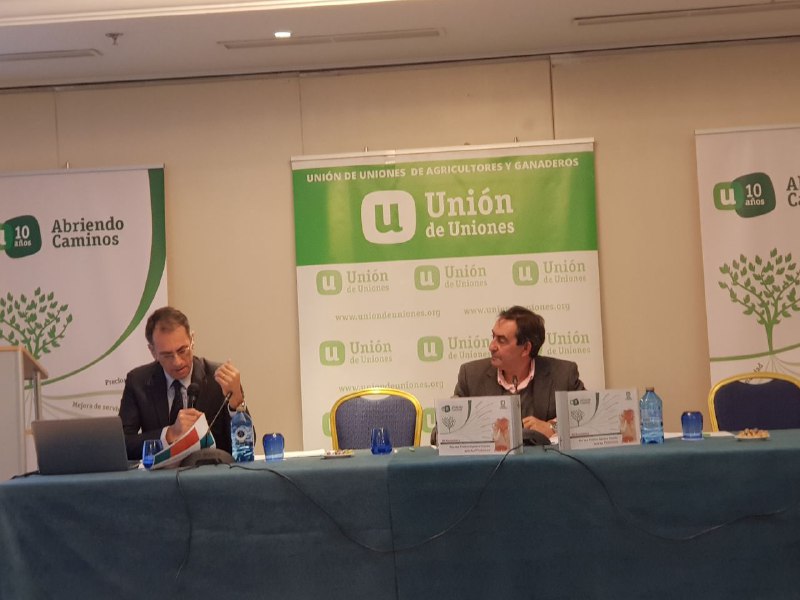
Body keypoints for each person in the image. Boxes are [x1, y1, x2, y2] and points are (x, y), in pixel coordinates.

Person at [432, 305, 584, 444]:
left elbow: (587, 419)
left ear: (526, 349)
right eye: (493, 337)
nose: (491, 346)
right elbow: (440, 432)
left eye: (501, 340)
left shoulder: (563, 374)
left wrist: (553, 427)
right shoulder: (471, 375)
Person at [118, 306, 246, 460]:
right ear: (153, 351)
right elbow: (122, 444)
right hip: (161, 475)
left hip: (212, 471)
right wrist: (169, 434)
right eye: (167, 355)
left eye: (182, 350)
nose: (177, 362)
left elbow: (245, 445)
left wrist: (236, 405)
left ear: (192, 340)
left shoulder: (218, 378)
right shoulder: (138, 381)